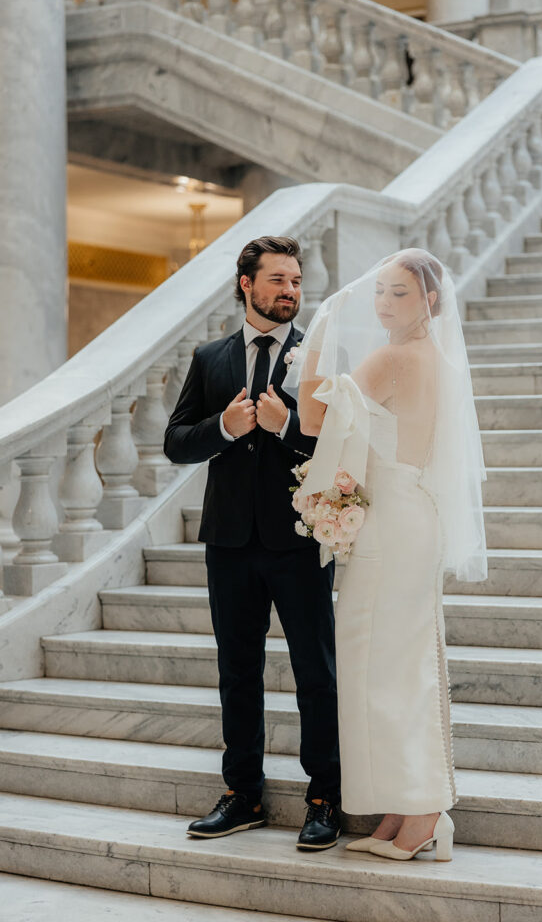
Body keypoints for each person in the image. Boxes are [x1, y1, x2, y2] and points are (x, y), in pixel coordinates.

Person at [286, 248, 487, 862]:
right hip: (406, 513)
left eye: (397, 293)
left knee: (392, 667)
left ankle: (424, 811)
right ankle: (405, 804)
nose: (381, 304)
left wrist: (318, 331)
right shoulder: (435, 357)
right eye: (377, 292)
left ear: (430, 300)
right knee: (388, 664)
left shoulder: (396, 357)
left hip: (398, 521)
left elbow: (314, 415)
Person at [164, 235, 342, 852]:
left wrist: (285, 426)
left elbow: (341, 447)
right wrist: (224, 427)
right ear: (247, 284)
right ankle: (243, 795)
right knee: (237, 673)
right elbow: (175, 440)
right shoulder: (210, 358)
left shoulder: (318, 354)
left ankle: (326, 798)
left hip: (297, 540)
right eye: (277, 280)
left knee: (315, 671)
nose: (291, 290)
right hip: (230, 542)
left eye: (295, 280)